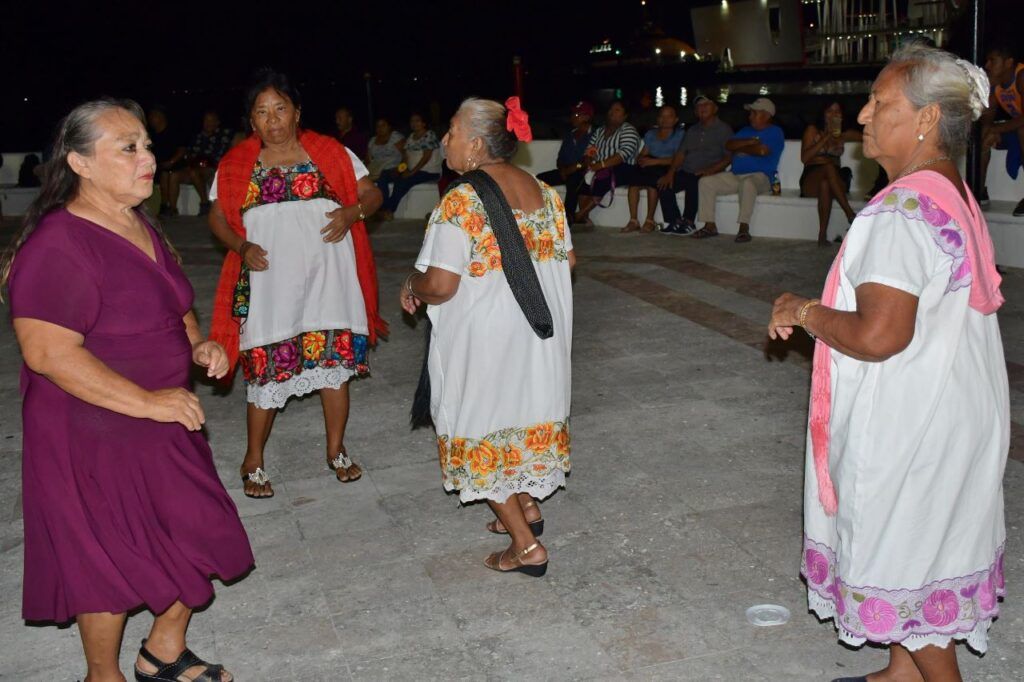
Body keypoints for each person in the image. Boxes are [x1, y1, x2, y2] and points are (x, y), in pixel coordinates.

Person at [769, 44, 1008, 681]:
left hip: (914, 420)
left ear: (928, 119)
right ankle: (899, 673)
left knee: (908, 558)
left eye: (882, 103)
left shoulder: (900, 213)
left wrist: (802, 310)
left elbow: (879, 336)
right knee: (923, 545)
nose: (865, 115)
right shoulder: (946, 191)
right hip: (950, 404)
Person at [1, 98, 253, 681]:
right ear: (80, 164)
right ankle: (103, 675)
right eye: (129, 148)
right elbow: (48, 353)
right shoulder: (57, 245)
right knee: (107, 559)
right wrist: (148, 402)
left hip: (160, 416)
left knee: (202, 527)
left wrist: (195, 345)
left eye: (146, 144)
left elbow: (171, 304)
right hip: (89, 426)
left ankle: (162, 650)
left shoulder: (136, 221)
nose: (148, 157)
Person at [400, 97, 573, 576]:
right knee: (519, 419)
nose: (444, 140)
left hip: (487, 346)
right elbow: (568, 263)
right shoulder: (546, 193)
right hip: (538, 342)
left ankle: (525, 547)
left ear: (475, 144)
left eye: (451, 131)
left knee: (482, 431)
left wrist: (411, 286)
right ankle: (528, 507)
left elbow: (440, 284)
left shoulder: (461, 200)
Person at [208, 70, 388, 498]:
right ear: (252, 121)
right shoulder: (237, 164)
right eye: (262, 113)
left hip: (330, 280)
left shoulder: (329, 151)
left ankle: (336, 450)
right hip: (271, 285)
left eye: (280, 109)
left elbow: (372, 195)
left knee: (333, 370)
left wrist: (352, 214)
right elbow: (216, 216)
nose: (272, 120)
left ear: (297, 112)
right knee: (266, 372)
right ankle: (253, 459)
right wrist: (240, 245)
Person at [691, 97, 784, 243]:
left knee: (748, 184)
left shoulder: (775, 132)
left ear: (766, 115)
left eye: (754, 113)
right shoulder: (746, 130)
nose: (750, 116)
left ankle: (744, 228)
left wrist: (741, 147)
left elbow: (762, 151)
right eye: (751, 113)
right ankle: (710, 225)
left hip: (762, 177)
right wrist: (749, 142)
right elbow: (729, 145)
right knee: (706, 182)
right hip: (736, 175)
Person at [658, 95, 733, 235]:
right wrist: (670, 173)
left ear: (715, 108)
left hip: (708, 172)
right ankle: (674, 221)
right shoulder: (692, 130)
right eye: (699, 106)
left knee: (695, 181)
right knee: (664, 184)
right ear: (695, 111)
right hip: (686, 170)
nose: (702, 108)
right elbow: (681, 154)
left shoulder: (724, 129)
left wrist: (711, 170)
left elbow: (729, 157)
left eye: (706, 104)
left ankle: (689, 222)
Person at [799, 101, 862, 245]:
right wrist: (826, 137)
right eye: (830, 111)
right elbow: (805, 158)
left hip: (834, 180)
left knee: (826, 183)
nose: (834, 114)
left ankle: (822, 235)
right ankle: (850, 214)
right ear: (823, 114)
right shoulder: (812, 130)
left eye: (838, 111)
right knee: (827, 167)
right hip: (811, 178)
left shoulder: (843, 135)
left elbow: (866, 137)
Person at [574, 100, 641, 225]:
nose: (612, 113)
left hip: (624, 167)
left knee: (603, 178)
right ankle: (585, 217)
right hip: (599, 166)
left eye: (617, 110)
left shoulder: (628, 130)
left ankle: (579, 215)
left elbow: (623, 154)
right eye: (611, 109)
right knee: (580, 179)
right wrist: (589, 163)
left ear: (625, 115)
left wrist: (600, 165)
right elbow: (589, 151)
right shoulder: (600, 131)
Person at [620, 104, 684, 232]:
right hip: (650, 164)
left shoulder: (680, 135)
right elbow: (644, 152)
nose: (664, 119)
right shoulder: (651, 134)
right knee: (634, 182)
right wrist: (641, 159)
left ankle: (649, 220)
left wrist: (654, 161)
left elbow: (678, 158)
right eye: (661, 116)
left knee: (653, 183)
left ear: (676, 119)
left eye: (669, 116)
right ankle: (633, 220)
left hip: (667, 167)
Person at [980, 44, 1024, 215]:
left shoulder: (1021, 76)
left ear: (1008, 63)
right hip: (1017, 126)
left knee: (1022, 131)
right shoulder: (997, 84)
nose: (987, 65)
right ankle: (979, 191)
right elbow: (987, 121)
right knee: (984, 134)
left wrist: (997, 128)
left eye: (993, 61)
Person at [536, 100, 594, 223]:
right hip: (566, 170)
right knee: (539, 179)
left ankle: (568, 218)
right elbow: (560, 158)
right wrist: (562, 169)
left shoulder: (594, 135)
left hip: (583, 172)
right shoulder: (570, 135)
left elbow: (587, 161)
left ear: (587, 117)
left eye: (577, 115)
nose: (573, 117)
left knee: (573, 180)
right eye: (573, 114)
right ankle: (543, 212)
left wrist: (574, 168)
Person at [379, 112, 442, 219]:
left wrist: (411, 173)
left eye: (417, 120)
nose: (414, 123)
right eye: (412, 121)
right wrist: (399, 170)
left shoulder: (429, 135)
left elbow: (425, 158)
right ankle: (382, 207)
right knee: (385, 175)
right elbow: (406, 158)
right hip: (413, 170)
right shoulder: (411, 137)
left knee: (403, 181)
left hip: (429, 171)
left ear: (424, 123)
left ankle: (388, 210)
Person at [183, 110, 234, 215]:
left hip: (216, 167)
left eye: (212, 121)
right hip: (198, 168)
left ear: (217, 122)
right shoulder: (197, 137)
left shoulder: (225, 134)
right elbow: (190, 154)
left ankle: (210, 205)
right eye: (206, 120)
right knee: (175, 174)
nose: (208, 123)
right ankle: (171, 208)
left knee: (203, 173)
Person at [147, 107, 187, 217]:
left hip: (175, 165)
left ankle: (172, 208)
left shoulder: (174, 131)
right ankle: (164, 205)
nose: (150, 119)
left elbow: (182, 150)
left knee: (171, 174)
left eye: (153, 116)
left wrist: (171, 161)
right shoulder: (150, 135)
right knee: (164, 174)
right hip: (157, 166)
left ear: (161, 117)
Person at [367, 116, 405, 181]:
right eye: (378, 126)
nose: (380, 128)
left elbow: (406, 157)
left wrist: (400, 170)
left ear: (389, 126)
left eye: (383, 125)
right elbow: (368, 159)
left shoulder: (395, 137)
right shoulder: (372, 141)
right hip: (376, 170)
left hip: (393, 169)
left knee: (383, 176)